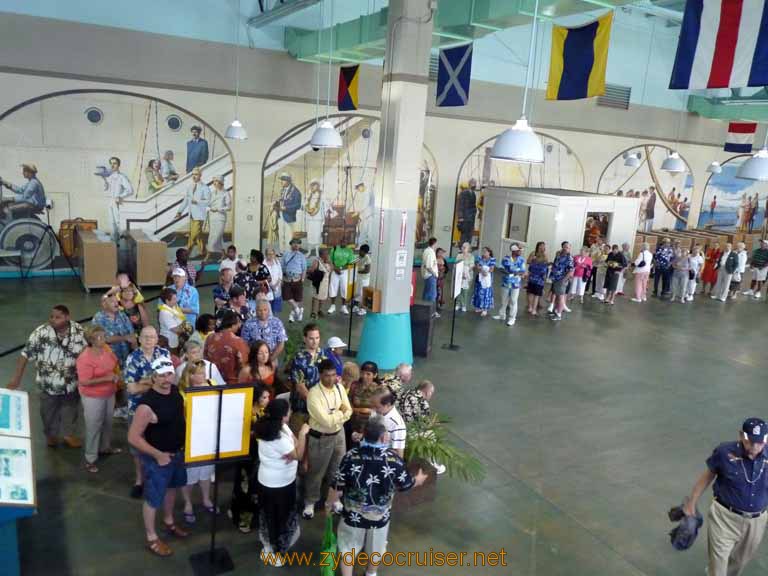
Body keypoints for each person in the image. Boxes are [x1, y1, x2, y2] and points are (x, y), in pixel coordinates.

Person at [325, 417, 427, 576]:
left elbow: (337, 485)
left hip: (353, 514)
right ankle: (371, 572)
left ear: (364, 434)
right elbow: (406, 484)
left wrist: (330, 503)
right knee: (376, 547)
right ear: (383, 437)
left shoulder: (351, 456)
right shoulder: (393, 460)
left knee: (348, 546)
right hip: (379, 516)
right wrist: (418, 480)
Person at [682, 418, 768, 576]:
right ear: (742, 436)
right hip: (724, 517)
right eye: (751, 442)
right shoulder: (724, 452)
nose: (755, 447)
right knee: (718, 563)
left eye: (760, 442)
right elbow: (707, 477)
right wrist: (691, 503)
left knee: (740, 561)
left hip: (756, 521)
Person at [127, 356, 188, 557]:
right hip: (158, 460)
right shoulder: (147, 404)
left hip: (177, 454)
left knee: (172, 489)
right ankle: (152, 537)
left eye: (169, 374)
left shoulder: (176, 394)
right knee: (153, 499)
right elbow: (133, 437)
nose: (165, 379)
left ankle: (169, 521)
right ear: (153, 377)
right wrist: (158, 454)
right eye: (160, 375)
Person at [7, 305, 86, 448]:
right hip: (48, 385)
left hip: (71, 384)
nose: (53, 320)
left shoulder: (79, 331)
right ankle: (51, 435)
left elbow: (86, 353)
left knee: (71, 411)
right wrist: (16, 378)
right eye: (52, 317)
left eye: (58, 317)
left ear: (67, 317)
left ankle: (68, 434)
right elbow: (25, 355)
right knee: (48, 415)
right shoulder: (41, 333)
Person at [255, 399, 308, 562]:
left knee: (270, 515)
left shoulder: (273, 426)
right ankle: (276, 550)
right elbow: (298, 454)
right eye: (289, 410)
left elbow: (295, 448)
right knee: (279, 517)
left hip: (269, 481)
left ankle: (270, 545)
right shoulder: (278, 436)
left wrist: (294, 446)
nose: (291, 412)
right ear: (283, 415)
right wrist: (302, 434)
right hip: (279, 485)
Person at [124, 327, 171, 498]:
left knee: (159, 443)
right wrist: (153, 382)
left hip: (160, 407)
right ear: (140, 338)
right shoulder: (132, 358)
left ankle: (158, 477)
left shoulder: (163, 353)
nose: (149, 340)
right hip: (138, 409)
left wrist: (144, 382)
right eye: (146, 337)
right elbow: (132, 388)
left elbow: (168, 381)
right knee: (138, 447)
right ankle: (139, 480)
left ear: (157, 338)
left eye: (152, 337)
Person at [303, 359, 351, 519]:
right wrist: (340, 413)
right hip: (321, 437)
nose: (331, 379)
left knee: (337, 470)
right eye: (327, 376)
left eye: (333, 375)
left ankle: (334, 499)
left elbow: (349, 410)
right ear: (320, 375)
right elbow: (326, 421)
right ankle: (310, 502)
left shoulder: (339, 388)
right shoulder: (314, 394)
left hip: (338, 435)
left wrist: (336, 414)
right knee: (316, 471)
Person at [76, 325, 121, 473]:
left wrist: (115, 376)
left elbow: (115, 363)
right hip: (92, 397)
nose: (104, 339)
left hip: (109, 393)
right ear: (91, 340)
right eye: (100, 337)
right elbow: (84, 381)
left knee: (108, 422)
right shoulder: (85, 358)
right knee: (93, 426)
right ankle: (90, 458)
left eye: (104, 336)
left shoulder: (106, 350)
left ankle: (105, 447)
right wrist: (106, 378)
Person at [177, 361, 218, 524]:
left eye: (204, 372)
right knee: (190, 474)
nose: (204, 376)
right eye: (199, 373)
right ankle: (187, 503)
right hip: (192, 437)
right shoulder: (182, 393)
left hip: (209, 436)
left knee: (207, 471)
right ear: (190, 375)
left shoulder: (212, 384)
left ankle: (206, 499)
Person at [230, 383, 270, 534]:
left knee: (256, 488)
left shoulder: (263, 411)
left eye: (268, 397)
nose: (267, 400)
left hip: (260, 456)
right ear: (255, 398)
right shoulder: (246, 412)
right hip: (247, 455)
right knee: (245, 488)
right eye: (264, 397)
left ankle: (249, 516)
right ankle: (242, 520)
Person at [288, 323, 327, 429]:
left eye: (317, 338)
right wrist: (316, 405)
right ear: (304, 338)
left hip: (321, 405)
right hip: (302, 408)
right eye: (311, 338)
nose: (315, 341)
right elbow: (300, 387)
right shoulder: (299, 358)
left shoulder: (322, 353)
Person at [204, 310, 249, 385]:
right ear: (233, 324)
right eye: (238, 323)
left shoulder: (210, 338)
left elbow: (205, 359)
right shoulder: (239, 342)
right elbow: (243, 364)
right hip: (232, 384)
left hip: (212, 382)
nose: (239, 326)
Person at [176, 167, 210, 258]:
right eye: (193, 174)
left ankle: (186, 252)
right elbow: (186, 200)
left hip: (200, 215)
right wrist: (179, 211)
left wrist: (198, 201)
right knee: (198, 235)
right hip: (192, 215)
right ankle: (204, 252)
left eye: (196, 174)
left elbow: (208, 201)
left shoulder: (205, 187)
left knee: (193, 234)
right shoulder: (190, 187)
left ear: (200, 175)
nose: (194, 176)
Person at [93, 293, 136, 365]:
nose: (116, 304)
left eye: (116, 301)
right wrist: (125, 338)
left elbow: (131, 334)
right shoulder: (98, 318)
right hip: (108, 361)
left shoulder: (122, 315)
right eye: (112, 302)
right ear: (104, 304)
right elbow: (106, 339)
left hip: (126, 359)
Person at [103, 156, 134, 242]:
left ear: (118, 165)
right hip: (110, 201)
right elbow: (106, 189)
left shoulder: (122, 177)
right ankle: (114, 244)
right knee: (111, 223)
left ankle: (121, 244)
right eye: (111, 164)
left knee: (118, 222)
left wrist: (120, 196)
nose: (112, 165)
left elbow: (130, 190)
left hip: (117, 202)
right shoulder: (109, 176)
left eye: (115, 163)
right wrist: (105, 182)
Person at [494, 244, 526, 326]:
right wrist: (510, 272)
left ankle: (512, 318)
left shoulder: (521, 260)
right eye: (519, 250)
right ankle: (502, 315)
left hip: (515, 284)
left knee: (513, 301)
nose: (520, 252)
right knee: (503, 300)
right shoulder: (506, 259)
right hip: (505, 282)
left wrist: (515, 272)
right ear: (513, 250)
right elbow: (501, 268)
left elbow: (522, 271)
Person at [373, 390, 406, 458]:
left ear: (387, 405)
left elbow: (399, 455)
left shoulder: (397, 424)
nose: (373, 409)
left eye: (377, 407)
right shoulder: (378, 413)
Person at [282, 238, 307, 323]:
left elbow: (304, 269)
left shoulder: (302, 256)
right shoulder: (286, 254)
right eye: (294, 243)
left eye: (298, 243)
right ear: (291, 244)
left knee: (297, 299)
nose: (296, 245)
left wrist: (303, 279)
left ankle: (291, 316)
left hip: (297, 280)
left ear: (299, 245)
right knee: (287, 297)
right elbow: (282, 266)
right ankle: (298, 310)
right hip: (287, 280)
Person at [275, 173, 302, 249]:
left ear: (288, 181)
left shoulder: (296, 192)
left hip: (289, 216)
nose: (281, 182)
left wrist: (286, 208)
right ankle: (281, 251)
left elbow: (298, 205)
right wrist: (276, 203)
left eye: (283, 180)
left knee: (288, 236)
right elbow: (282, 200)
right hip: (281, 215)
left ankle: (288, 252)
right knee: (281, 234)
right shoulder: (283, 190)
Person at [157, 288, 188, 353]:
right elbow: (176, 330)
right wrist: (185, 325)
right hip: (169, 343)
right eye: (174, 299)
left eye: (176, 298)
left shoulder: (174, 306)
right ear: (167, 301)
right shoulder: (165, 312)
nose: (176, 301)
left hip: (175, 339)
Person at [548, 242, 574, 319]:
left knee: (561, 297)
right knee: (556, 295)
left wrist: (564, 280)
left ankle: (559, 314)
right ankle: (556, 310)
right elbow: (556, 264)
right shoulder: (559, 255)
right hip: (555, 278)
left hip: (562, 279)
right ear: (562, 247)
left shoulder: (569, 258)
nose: (566, 249)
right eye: (565, 247)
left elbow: (571, 270)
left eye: (568, 247)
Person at [328, 244, 355, 315]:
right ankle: (332, 306)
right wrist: (335, 268)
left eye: (345, 240)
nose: (344, 242)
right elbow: (331, 260)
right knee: (333, 287)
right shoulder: (334, 248)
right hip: (335, 271)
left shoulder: (349, 251)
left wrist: (341, 268)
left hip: (345, 272)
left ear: (347, 242)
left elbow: (351, 263)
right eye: (342, 240)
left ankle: (343, 306)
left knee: (344, 289)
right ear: (340, 241)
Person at [206, 176, 231, 256]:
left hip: (220, 218)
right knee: (213, 237)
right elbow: (208, 204)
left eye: (216, 181)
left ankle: (207, 257)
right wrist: (209, 208)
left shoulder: (226, 193)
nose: (214, 183)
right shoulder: (212, 193)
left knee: (216, 237)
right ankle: (223, 254)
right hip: (212, 218)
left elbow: (229, 207)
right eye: (214, 182)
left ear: (221, 183)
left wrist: (218, 209)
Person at [308, 247, 332, 319]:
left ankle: (319, 310)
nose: (327, 255)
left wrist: (329, 263)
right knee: (316, 297)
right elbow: (311, 270)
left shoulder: (328, 261)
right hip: (318, 282)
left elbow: (331, 269)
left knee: (323, 297)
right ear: (321, 254)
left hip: (325, 282)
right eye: (326, 253)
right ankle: (313, 312)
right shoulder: (317, 261)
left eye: (328, 253)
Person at [526, 242, 549, 316]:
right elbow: (528, 262)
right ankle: (530, 307)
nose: (542, 247)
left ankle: (533, 309)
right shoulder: (533, 253)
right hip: (533, 277)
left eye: (543, 246)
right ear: (538, 246)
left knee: (536, 294)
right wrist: (532, 259)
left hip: (539, 278)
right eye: (541, 246)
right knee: (531, 293)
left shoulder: (545, 255)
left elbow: (546, 265)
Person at [472, 246, 496, 317]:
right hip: (480, 278)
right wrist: (482, 270)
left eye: (485, 251)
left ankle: (485, 309)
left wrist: (486, 271)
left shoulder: (492, 259)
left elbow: (491, 269)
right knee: (478, 292)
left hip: (487, 279)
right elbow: (478, 266)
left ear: (489, 252)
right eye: (483, 251)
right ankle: (479, 307)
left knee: (486, 294)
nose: (484, 253)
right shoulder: (480, 258)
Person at [352, 244, 372, 316]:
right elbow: (353, 262)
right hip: (359, 277)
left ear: (365, 252)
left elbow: (367, 270)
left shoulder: (367, 259)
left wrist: (357, 271)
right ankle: (356, 306)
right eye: (360, 251)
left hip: (365, 279)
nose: (360, 252)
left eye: (361, 251)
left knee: (363, 293)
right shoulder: (359, 257)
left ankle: (363, 309)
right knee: (357, 292)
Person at [456, 181, 477, 246]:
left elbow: (473, 205)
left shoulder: (473, 193)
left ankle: (468, 248)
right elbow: (460, 205)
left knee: (470, 234)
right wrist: (460, 217)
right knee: (464, 234)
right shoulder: (463, 193)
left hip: (471, 217)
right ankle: (462, 249)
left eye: (475, 184)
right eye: (474, 184)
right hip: (465, 217)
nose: (475, 185)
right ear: (470, 184)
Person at [456, 242, 475, 312]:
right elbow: (456, 264)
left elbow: (472, 265)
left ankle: (464, 305)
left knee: (465, 291)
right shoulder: (459, 255)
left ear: (468, 249)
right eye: (462, 247)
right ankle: (458, 304)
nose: (463, 249)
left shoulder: (471, 256)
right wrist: (461, 273)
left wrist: (466, 273)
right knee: (459, 290)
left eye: (464, 247)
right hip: (459, 275)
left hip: (467, 276)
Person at [264, 247, 283, 314]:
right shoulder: (263, 264)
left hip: (277, 289)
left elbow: (280, 275)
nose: (271, 256)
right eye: (269, 254)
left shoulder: (277, 262)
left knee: (276, 310)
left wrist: (276, 285)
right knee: (267, 309)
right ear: (266, 255)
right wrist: (271, 285)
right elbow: (262, 277)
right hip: (266, 289)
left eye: (272, 254)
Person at [421, 237, 439, 311]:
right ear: (434, 244)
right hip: (430, 275)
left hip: (427, 275)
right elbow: (429, 266)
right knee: (432, 294)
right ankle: (431, 311)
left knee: (426, 293)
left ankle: (423, 309)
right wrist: (434, 274)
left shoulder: (426, 251)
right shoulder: (430, 253)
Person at [435, 247, 449, 312]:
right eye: (439, 252)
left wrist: (443, 271)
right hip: (435, 278)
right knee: (435, 291)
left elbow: (447, 269)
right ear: (436, 253)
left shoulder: (443, 260)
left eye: (441, 253)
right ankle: (435, 304)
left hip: (441, 278)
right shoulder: (434, 259)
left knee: (440, 291)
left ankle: (439, 304)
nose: (440, 254)